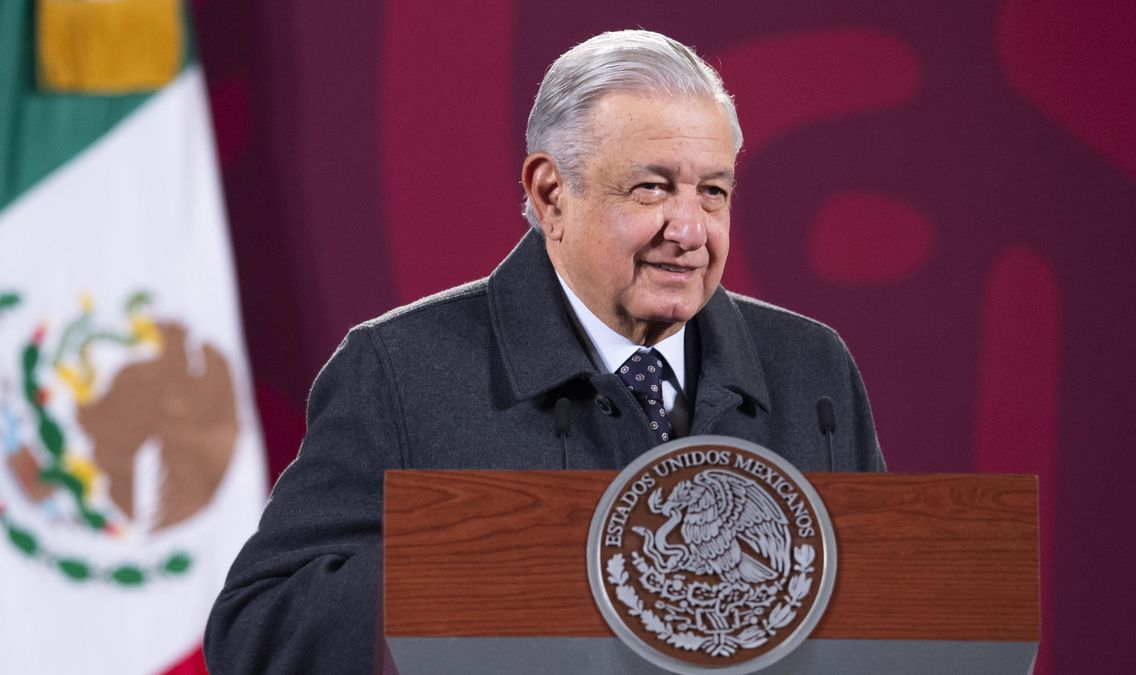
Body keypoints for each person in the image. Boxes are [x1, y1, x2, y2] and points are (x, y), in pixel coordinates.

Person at [205, 29, 885, 673]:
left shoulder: (810, 370)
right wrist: (481, 560)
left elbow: (897, 614)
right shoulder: (401, 370)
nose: (689, 229)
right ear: (551, 193)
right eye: (652, 187)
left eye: (713, 192)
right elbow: (258, 630)